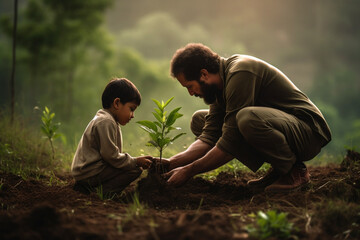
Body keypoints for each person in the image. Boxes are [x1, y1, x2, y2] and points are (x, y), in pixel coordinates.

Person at [163, 43, 331, 193]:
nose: (191, 93)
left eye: (190, 86)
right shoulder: (218, 88)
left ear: (204, 74)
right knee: (200, 120)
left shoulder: (240, 72)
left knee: (246, 118)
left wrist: (189, 171)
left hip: (309, 132)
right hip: (285, 129)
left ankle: (294, 172)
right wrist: (170, 163)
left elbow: (231, 141)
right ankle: (280, 169)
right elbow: (209, 137)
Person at [71, 78, 153, 194]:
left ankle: (89, 188)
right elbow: (111, 156)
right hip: (89, 172)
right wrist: (136, 161)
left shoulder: (108, 121)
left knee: (130, 166)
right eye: (131, 109)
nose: (133, 115)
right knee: (134, 169)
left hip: (87, 172)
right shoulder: (106, 122)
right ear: (117, 103)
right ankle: (100, 192)